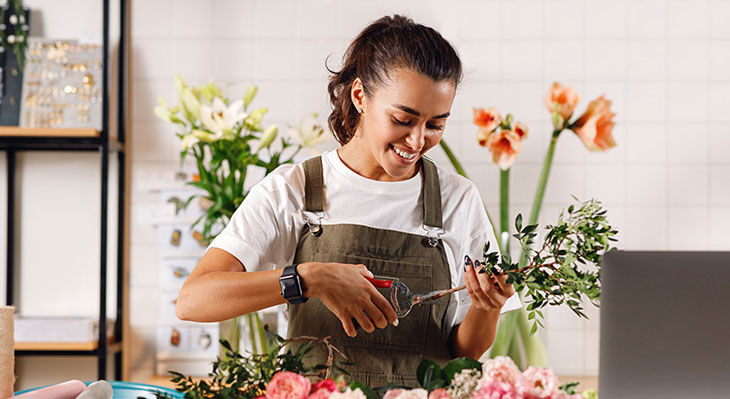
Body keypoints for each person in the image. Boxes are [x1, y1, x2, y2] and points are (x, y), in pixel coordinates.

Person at [176, 15, 521, 387]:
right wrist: (309, 278)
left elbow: (463, 354)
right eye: (403, 119)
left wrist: (488, 308)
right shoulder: (292, 189)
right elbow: (194, 300)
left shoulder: (458, 199)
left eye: (435, 124)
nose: (418, 140)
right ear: (360, 97)